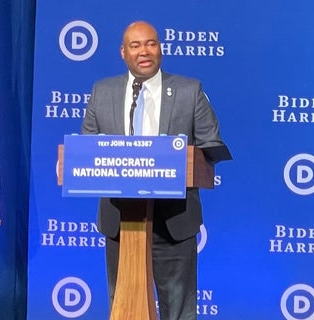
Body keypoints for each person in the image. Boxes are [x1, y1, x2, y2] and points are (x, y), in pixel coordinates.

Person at [81, 21, 229, 319]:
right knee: (123, 304)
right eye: (135, 46)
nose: (144, 51)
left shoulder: (190, 91)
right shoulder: (102, 91)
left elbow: (211, 146)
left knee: (178, 307)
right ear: (123, 53)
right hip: (121, 220)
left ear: (160, 49)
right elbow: (87, 150)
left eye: (151, 43)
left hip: (173, 219)